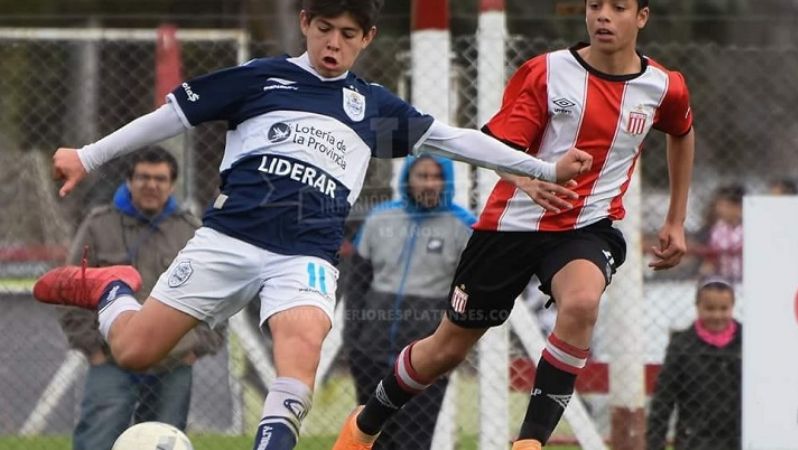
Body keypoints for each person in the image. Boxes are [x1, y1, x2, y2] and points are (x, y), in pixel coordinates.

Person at [31, 1, 592, 449]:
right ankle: (108, 290)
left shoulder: (370, 105)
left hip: (305, 256)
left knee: (300, 351)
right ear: (305, 23)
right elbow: (171, 114)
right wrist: (88, 155)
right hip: (229, 241)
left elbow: (453, 138)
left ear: (367, 38)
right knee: (134, 352)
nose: (334, 43)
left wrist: (537, 168)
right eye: (324, 28)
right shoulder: (261, 79)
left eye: (349, 34)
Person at [332, 0, 696, 449]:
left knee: (582, 303)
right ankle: (365, 425)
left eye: (617, 7)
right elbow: (494, 148)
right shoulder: (547, 73)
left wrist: (675, 219)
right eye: (594, 5)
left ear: (641, 17)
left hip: (585, 227)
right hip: (510, 226)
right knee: (447, 349)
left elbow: (681, 131)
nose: (603, 15)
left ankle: (529, 442)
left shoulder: (663, 87)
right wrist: (530, 178)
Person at [58, 147, 225, 450]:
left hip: (173, 361)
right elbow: (72, 287)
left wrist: (197, 347)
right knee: (95, 440)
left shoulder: (192, 232)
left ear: (172, 184)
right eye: (143, 177)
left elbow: (219, 295)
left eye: (160, 179)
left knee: (164, 443)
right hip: (111, 358)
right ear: (129, 181)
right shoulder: (99, 225)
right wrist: (93, 348)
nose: (151, 185)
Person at [345, 155, 474, 449]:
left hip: (425, 361)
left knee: (414, 441)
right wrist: (353, 346)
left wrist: (448, 349)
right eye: (421, 175)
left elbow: (467, 298)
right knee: (371, 438)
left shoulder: (464, 227)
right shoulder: (379, 219)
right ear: (407, 178)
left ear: (447, 181)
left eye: (435, 176)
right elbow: (357, 286)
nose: (429, 183)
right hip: (370, 354)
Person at [646, 276, 741, 450]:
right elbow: (663, 399)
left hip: (738, 438)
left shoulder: (746, 342)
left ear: (732, 307)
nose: (717, 315)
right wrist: (655, 443)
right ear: (697, 306)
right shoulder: (682, 345)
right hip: (695, 440)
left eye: (723, 308)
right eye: (709, 308)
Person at [698, 184, 744, 281]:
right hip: (724, 279)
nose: (719, 210)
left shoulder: (748, 227)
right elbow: (711, 260)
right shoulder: (718, 229)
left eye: (725, 206)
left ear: (737, 207)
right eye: (719, 205)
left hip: (747, 277)